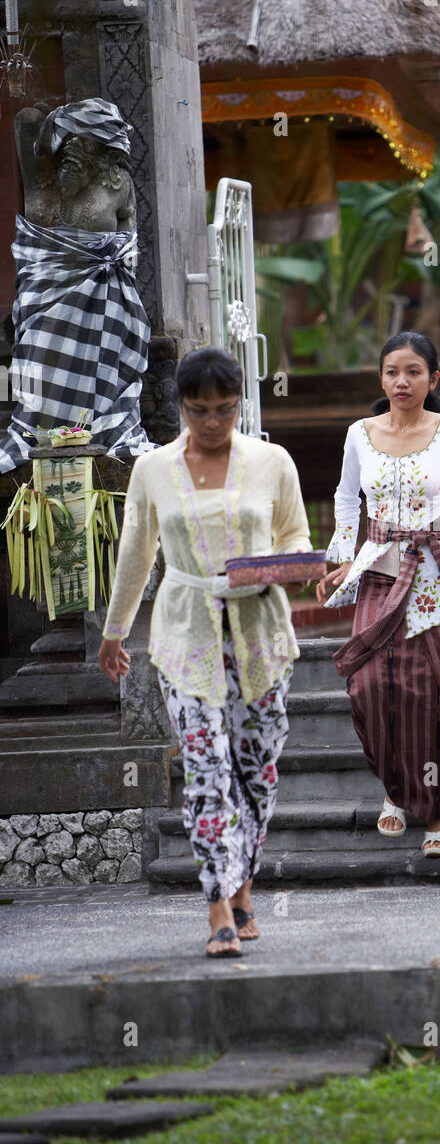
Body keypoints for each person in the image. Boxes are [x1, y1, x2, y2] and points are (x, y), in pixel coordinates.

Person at [98, 347, 313, 957]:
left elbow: (294, 534)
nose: (213, 422)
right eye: (199, 411)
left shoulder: (272, 461)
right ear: (181, 407)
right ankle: (219, 907)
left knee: (258, 769)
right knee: (206, 769)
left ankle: (243, 883)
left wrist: (282, 566)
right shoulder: (153, 469)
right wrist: (115, 633)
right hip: (185, 631)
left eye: (224, 409)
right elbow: (136, 555)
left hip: (260, 630)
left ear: (239, 403)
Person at [316, 331, 440, 857]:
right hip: (379, 572)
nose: (401, 381)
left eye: (413, 372)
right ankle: (396, 789)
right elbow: (344, 498)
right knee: (369, 690)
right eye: (391, 372)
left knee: (439, 693)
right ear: (381, 378)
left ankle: (438, 818)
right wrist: (340, 558)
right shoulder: (359, 432)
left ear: (434, 378)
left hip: (436, 575)